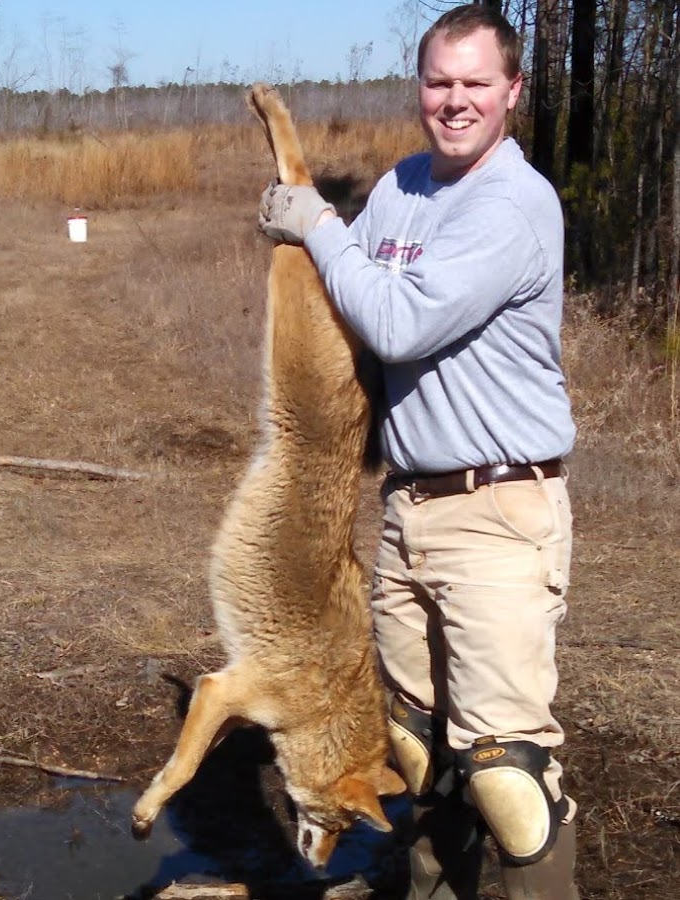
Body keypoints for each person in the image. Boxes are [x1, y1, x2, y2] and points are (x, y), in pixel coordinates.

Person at [258, 5, 579, 899]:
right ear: (420, 88)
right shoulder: (402, 188)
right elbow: (346, 306)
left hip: (499, 515)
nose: (456, 100)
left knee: (509, 777)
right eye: (440, 81)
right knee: (421, 747)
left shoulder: (515, 204)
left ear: (512, 91)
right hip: (409, 511)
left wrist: (317, 222)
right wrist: (300, 251)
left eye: (477, 83)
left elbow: (395, 321)